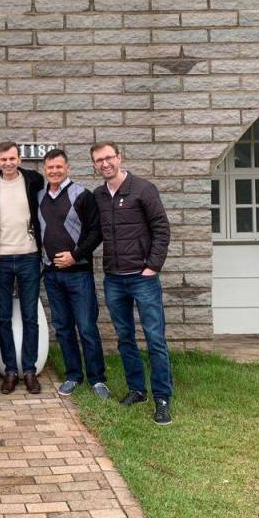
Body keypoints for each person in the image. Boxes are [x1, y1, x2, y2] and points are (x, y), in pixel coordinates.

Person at [90, 141, 174, 426]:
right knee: (125, 338)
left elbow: (161, 229)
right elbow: (95, 233)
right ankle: (137, 390)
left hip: (142, 278)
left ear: (119, 157)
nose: (105, 164)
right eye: (99, 160)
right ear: (94, 164)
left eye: (109, 158)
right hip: (114, 279)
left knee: (154, 338)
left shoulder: (143, 189)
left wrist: (153, 266)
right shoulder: (99, 195)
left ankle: (162, 398)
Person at [37, 149, 109, 400]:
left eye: (59, 167)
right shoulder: (39, 197)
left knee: (87, 327)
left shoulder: (82, 195)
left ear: (67, 168)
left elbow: (96, 232)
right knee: (63, 328)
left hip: (79, 274)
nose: (54, 171)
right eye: (50, 167)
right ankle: (73, 376)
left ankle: (98, 380)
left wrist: (75, 256)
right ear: (44, 170)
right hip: (52, 274)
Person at [0, 141, 46, 394]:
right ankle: (10, 371)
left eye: (12, 158)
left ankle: (29, 371)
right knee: (3, 317)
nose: (8, 163)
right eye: (3, 159)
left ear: (19, 159)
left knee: (30, 316)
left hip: (29, 256)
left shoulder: (33, 180)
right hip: (1, 258)